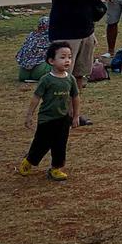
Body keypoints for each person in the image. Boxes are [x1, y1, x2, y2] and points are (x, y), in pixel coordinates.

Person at [46, 0, 111, 126]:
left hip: (86, 31)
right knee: (62, 77)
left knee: (79, 76)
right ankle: (58, 116)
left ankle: (74, 114)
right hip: (66, 33)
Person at [19, 41, 80, 181]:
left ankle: (56, 168)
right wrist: (29, 115)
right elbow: (36, 97)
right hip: (47, 119)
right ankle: (29, 160)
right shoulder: (46, 80)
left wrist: (76, 115)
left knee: (60, 144)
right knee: (41, 143)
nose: (67, 60)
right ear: (51, 61)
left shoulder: (70, 79)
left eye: (69, 57)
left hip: (63, 118)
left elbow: (75, 97)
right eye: (63, 57)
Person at [16, 16, 53, 82]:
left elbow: (22, 52)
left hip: (23, 74)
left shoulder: (31, 35)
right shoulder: (50, 37)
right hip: (39, 71)